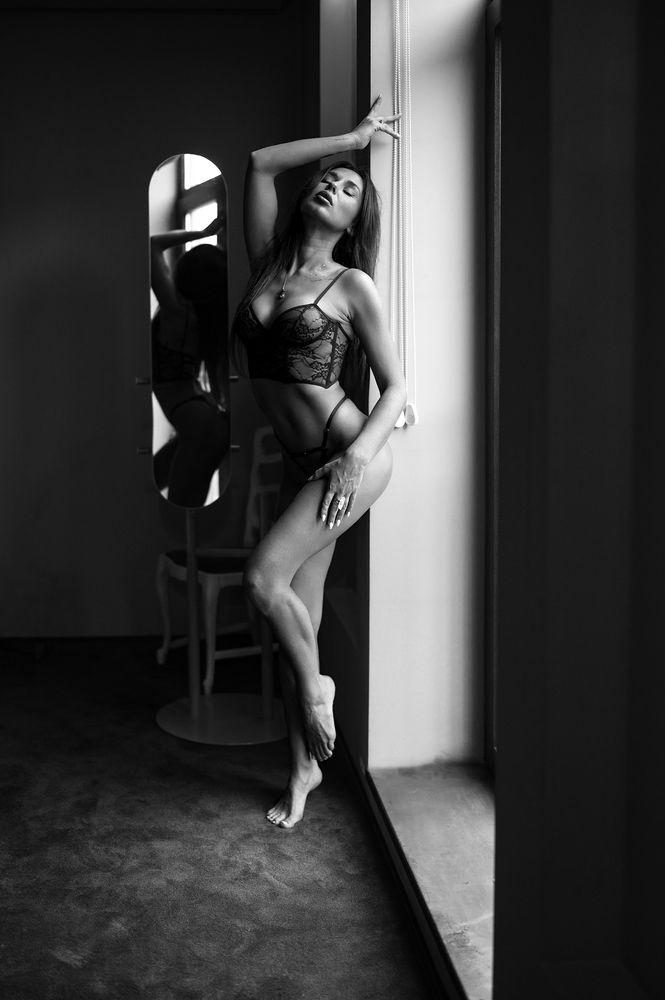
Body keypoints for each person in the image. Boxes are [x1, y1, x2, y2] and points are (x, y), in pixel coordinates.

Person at [231, 96, 406, 829]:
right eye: (330, 178)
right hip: (302, 460)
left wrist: (353, 461)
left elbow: (397, 389)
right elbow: (259, 163)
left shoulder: (351, 285)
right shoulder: (267, 265)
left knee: (261, 579)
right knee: (294, 612)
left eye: (351, 188)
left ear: (355, 223)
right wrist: (351, 140)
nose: (335, 184)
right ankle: (304, 768)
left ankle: (316, 690)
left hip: (348, 455)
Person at [150, 219, 230, 507]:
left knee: (181, 508)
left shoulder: (177, 311)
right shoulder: (209, 319)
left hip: (191, 413)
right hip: (203, 411)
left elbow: (153, 246)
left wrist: (204, 233)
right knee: (180, 501)